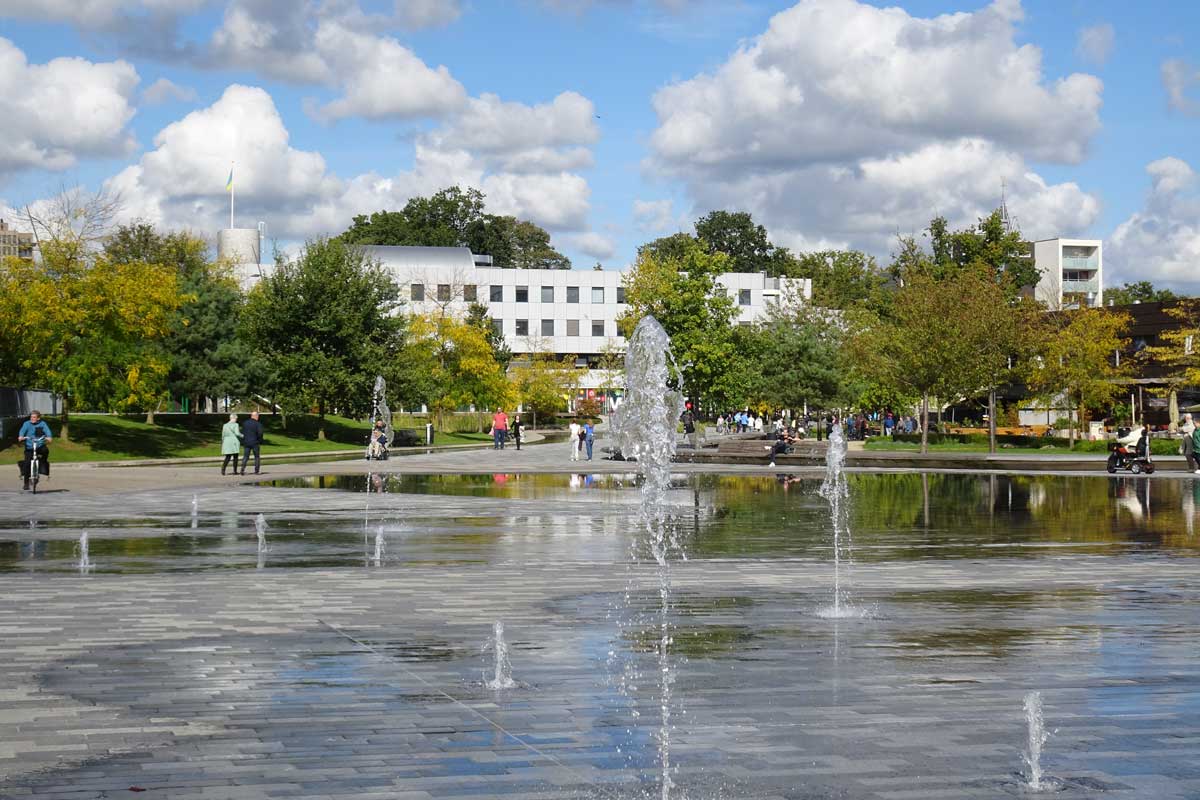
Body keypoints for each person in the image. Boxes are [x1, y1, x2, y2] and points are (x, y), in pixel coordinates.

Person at [17, 410, 52, 491]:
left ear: (38, 418)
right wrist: (21, 436)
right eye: (31, 417)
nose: (32, 418)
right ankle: (26, 483)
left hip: (40, 445)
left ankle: (42, 464)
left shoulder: (42, 424)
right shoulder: (26, 423)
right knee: (27, 464)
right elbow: (22, 430)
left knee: (45, 451)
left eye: (34, 417)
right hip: (29, 447)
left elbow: (47, 431)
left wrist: (49, 437)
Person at [239, 410, 265, 475]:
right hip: (255, 442)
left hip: (246, 442)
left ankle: (242, 469)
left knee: (245, 456)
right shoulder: (258, 424)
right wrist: (260, 440)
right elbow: (260, 433)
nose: (258, 417)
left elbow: (242, 432)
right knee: (256, 457)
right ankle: (256, 471)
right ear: (256, 416)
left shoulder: (245, 423)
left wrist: (243, 440)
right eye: (258, 416)